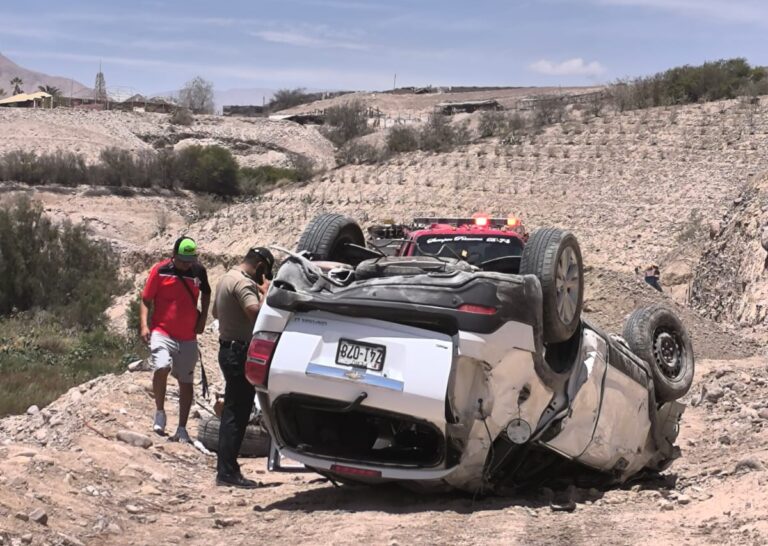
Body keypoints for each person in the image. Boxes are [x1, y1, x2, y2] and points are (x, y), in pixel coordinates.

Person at [212, 246, 274, 488]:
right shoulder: (244, 284)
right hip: (239, 353)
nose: (264, 278)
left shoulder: (226, 279)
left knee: (232, 413)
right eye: (265, 273)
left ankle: (227, 469)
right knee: (236, 416)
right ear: (260, 266)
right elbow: (256, 315)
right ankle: (227, 472)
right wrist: (266, 293)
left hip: (227, 349)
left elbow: (216, 312)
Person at [140, 236, 211, 443]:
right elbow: (146, 299)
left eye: (189, 261)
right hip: (162, 331)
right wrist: (144, 325)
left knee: (186, 381)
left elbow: (206, 293)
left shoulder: (198, 272)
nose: (186, 265)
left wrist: (203, 318)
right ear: (174, 256)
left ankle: (181, 428)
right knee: (161, 366)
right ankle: (160, 412)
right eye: (182, 260)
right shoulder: (160, 270)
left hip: (188, 335)